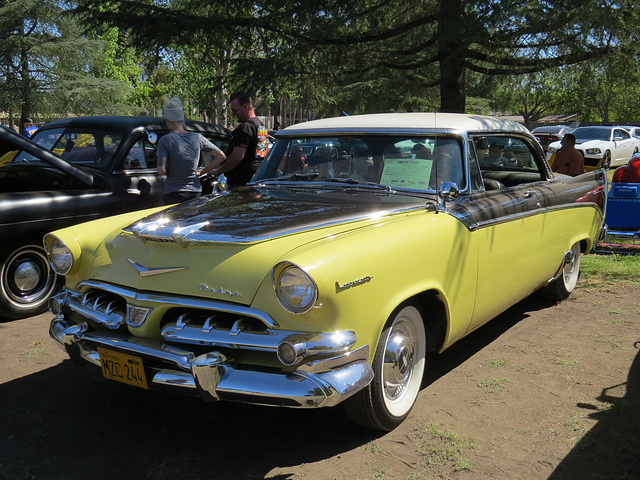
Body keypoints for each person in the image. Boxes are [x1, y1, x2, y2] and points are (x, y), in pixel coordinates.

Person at [157, 97, 226, 205]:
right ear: (183, 119)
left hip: (173, 192)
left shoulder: (165, 140)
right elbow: (221, 156)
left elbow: (161, 170)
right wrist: (202, 172)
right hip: (195, 191)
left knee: (175, 221)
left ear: (167, 121)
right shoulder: (198, 138)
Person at [202, 91, 269, 188]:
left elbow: (237, 157)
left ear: (246, 107)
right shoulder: (261, 126)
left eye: (235, 110)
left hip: (241, 183)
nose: (233, 114)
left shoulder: (245, 128)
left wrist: (218, 171)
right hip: (257, 178)